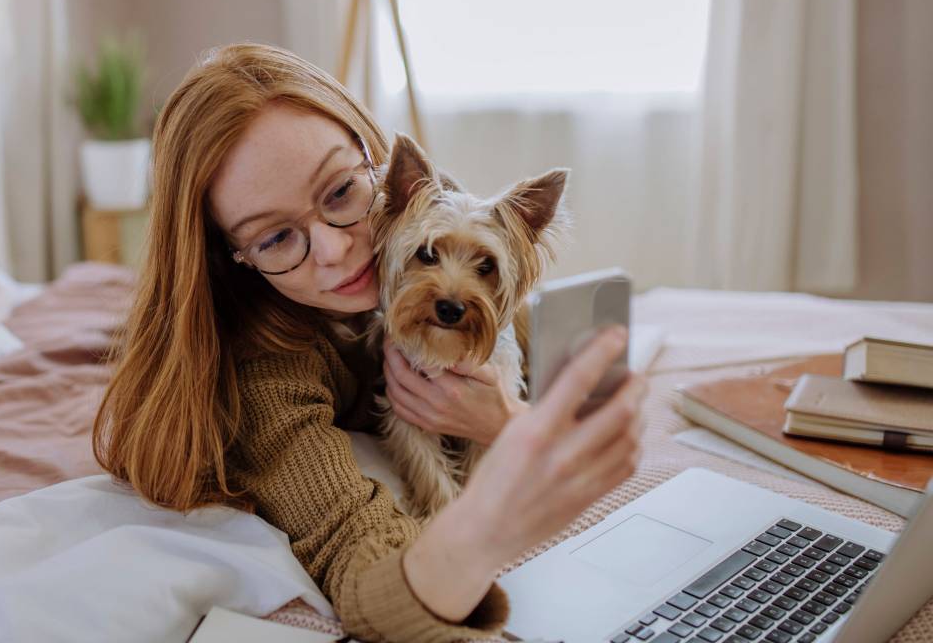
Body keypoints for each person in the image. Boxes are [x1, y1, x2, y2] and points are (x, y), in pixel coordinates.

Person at [93, 43, 647, 643]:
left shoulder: (423, 220)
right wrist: (482, 522)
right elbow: (362, 567)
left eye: (338, 193)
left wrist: (506, 419)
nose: (336, 250)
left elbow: (519, 331)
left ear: (375, 165)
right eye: (276, 237)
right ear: (233, 259)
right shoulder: (268, 375)